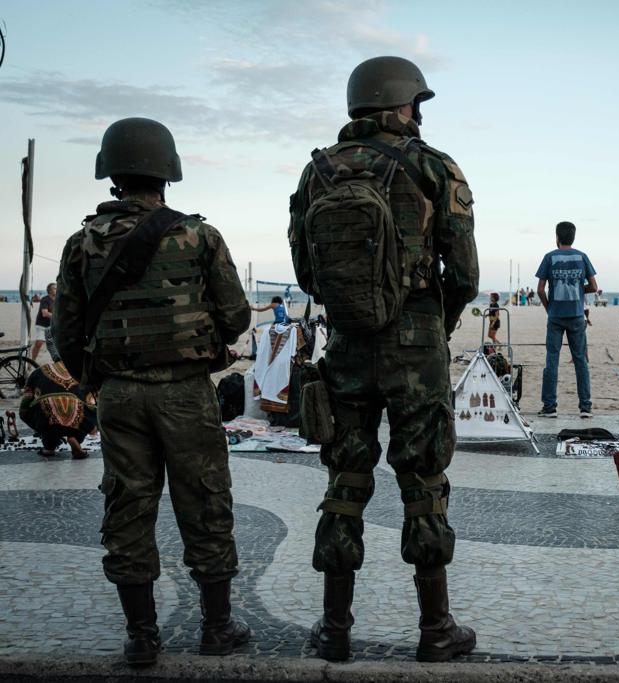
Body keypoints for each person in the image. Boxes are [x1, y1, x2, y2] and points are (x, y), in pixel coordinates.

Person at [288, 56, 479, 663]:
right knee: (422, 479)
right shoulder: (432, 165)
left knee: (345, 478)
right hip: (416, 343)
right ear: (401, 104)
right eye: (415, 103)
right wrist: (437, 322)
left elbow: (306, 273)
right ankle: (436, 630)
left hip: (346, 344)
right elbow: (465, 273)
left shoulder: (317, 171)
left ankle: (334, 629)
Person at [53, 117, 252, 665]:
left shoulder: (81, 243)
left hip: (119, 395)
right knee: (205, 501)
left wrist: (99, 379)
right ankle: (217, 628)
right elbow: (236, 317)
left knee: (127, 507)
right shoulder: (199, 236)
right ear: (168, 172)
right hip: (186, 393)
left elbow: (65, 332)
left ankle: (141, 636)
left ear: (111, 174)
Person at [535, 221, 598, 418]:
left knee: (552, 360)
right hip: (577, 315)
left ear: (557, 237)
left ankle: (550, 407)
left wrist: (549, 308)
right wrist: (579, 289)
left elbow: (540, 289)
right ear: (573, 237)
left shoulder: (550, 257)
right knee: (580, 361)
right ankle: (585, 407)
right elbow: (594, 286)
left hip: (555, 315)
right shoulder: (582, 257)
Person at [19, 360, 96, 458]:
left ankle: (49, 448)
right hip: (77, 412)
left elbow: (27, 398)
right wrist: (92, 425)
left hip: (47, 412)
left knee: (45, 417)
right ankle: (75, 438)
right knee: (85, 411)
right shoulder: (81, 371)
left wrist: (25, 414)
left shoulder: (39, 371)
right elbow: (93, 399)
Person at [30, 283, 56, 361]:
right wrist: (57, 317)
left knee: (57, 345)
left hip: (52, 325)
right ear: (49, 290)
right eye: (54, 288)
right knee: (39, 343)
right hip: (41, 325)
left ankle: (57, 362)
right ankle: (32, 361)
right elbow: (45, 313)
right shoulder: (45, 299)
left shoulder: (58, 300)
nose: (57, 289)